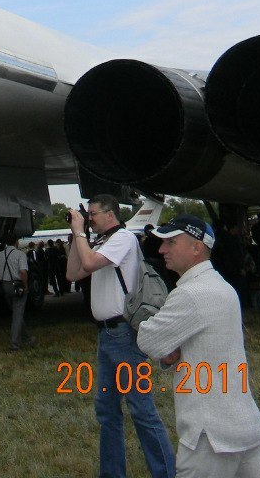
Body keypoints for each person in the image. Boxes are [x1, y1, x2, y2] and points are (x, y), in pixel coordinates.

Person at [137, 215, 260, 478]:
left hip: (210, 436)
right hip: (243, 423)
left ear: (196, 248)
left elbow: (147, 340)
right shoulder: (223, 287)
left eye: (171, 242)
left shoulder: (190, 294)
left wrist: (167, 350)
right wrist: (171, 350)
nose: (162, 250)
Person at [67, 197, 175, 478]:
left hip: (124, 334)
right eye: (86, 214)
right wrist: (75, 235)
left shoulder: (124, 238)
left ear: (111, 214)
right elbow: (72, 272)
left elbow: (89, 263)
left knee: (141, 409)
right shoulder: (103, 242)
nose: (89, 218)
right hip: (106, 335)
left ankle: (166, 472)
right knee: (107, 411)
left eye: (93, 214)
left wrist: (80, 232)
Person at [0, 236, 33, 350]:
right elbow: (23, 271)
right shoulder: (20, 254)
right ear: (16, 242)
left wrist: (1, 280)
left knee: (16, 312)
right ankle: (14, 344)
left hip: (5, 285)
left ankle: (26, 338)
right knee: (18, 314)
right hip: (18, 285)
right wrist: (25, 285)